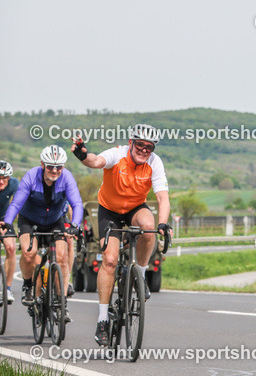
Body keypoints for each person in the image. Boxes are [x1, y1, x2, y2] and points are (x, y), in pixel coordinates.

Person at [72, 124, 171, 347]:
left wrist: (163, 223)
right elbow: (96, 161)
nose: (144, 150)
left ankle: (141, 275)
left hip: (136, 207)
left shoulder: (155, 163)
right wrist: (82, 155)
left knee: (149, 227)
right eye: (140, 145)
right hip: (110, 211)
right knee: (109, 260)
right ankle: (102, 319)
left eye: (149, 147)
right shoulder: (117, 155)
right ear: (131, 143)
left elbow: (163, 198)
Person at [0, 146, 83, 321]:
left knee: (61, 257)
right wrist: (7, 223)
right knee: (29, 254)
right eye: (50, 166)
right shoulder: (31, 176)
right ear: (42, 164)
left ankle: (62, 304)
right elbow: (16, 204)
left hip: (54, 221)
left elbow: (76, 204)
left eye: (58, 167)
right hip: (29, 220)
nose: (54, 170)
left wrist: (75, 225)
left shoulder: (66, 177)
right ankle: (28, 285)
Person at [0, 160, 19, 304]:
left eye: (4, 178)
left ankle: (7, 288)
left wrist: (9, 220)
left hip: (5, 218)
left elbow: (17, 204)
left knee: (11, 248)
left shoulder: (14, 184)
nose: (1, 182)